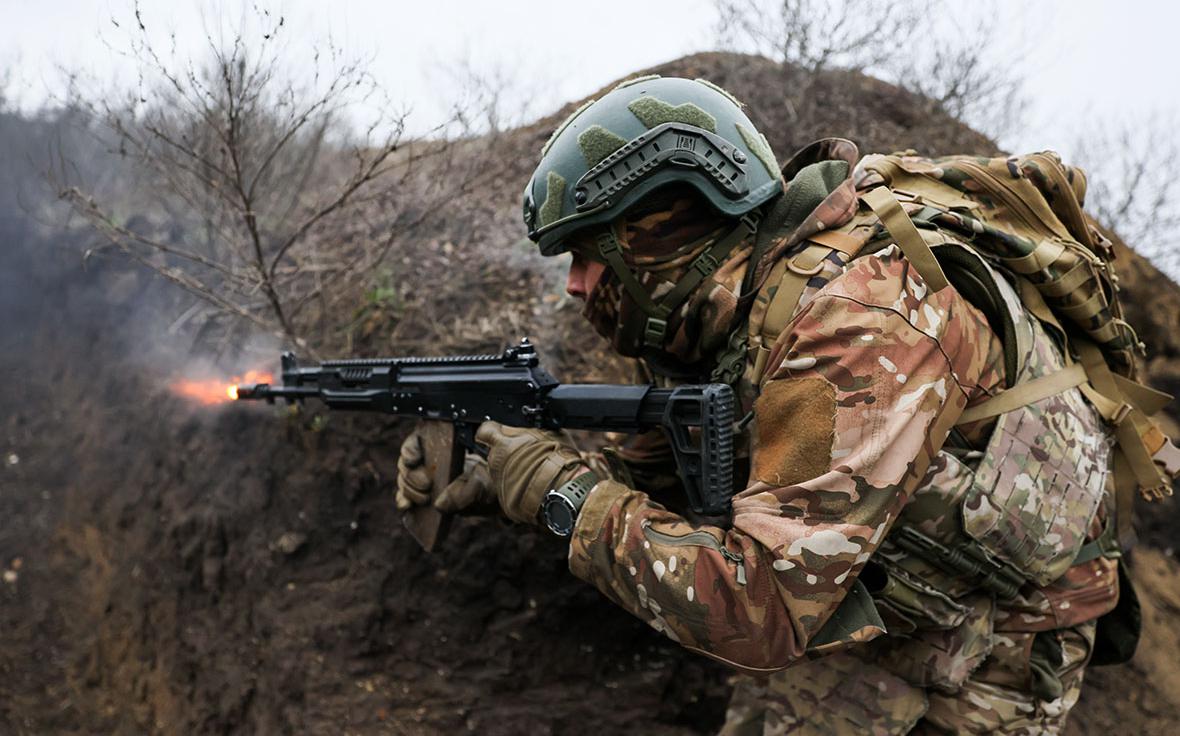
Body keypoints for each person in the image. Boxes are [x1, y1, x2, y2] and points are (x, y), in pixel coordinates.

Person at [395, 76, 1164, 734]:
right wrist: (504, 479)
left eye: (588, 256)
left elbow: (761, 612)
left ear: (658, 238)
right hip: (869, 583)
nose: (574, 285)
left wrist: (562, 494)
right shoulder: (723, 311)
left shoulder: (861, 327)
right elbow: (662, 484)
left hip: (990, 637)